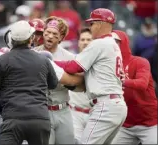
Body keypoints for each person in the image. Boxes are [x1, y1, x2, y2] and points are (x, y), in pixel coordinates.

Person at [0, 20, 58, 145]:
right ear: (31, 38)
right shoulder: (43, 60)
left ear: (11, 39)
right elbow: (53, 84)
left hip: (13, 120)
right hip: (39, 119)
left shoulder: (1, 61)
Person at [54, 8, 127, 144]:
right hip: (117, 104)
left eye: (92, 23)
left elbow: (74, 67)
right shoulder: (113, 43)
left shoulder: (100, 43)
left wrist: (50, 62)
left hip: (105, 105)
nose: (90, 27)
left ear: (99, 23)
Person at [34, 16, 77, 144]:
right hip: (42, 110)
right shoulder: (34, 53)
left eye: (54, 34)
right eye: (47, 32)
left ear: (61, 37)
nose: (50, 36)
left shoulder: (69, 57)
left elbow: (78, 82)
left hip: (63, 110)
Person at [111, 30, 157, 144]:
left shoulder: (140, 62)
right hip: (125, 125)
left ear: (125, 43)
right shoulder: (108, 65)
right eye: (109, 42)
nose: (112, 45)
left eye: (116, 42)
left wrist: (122, 81)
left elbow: (142, 84)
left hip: (149, 123)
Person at [68, 28, 92, 144]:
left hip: (94, 113)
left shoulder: (101, 63)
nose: (85, 42)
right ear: (78, 42)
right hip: (75, 113)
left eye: (89, 39)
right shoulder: (71, 61)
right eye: (82, 39)